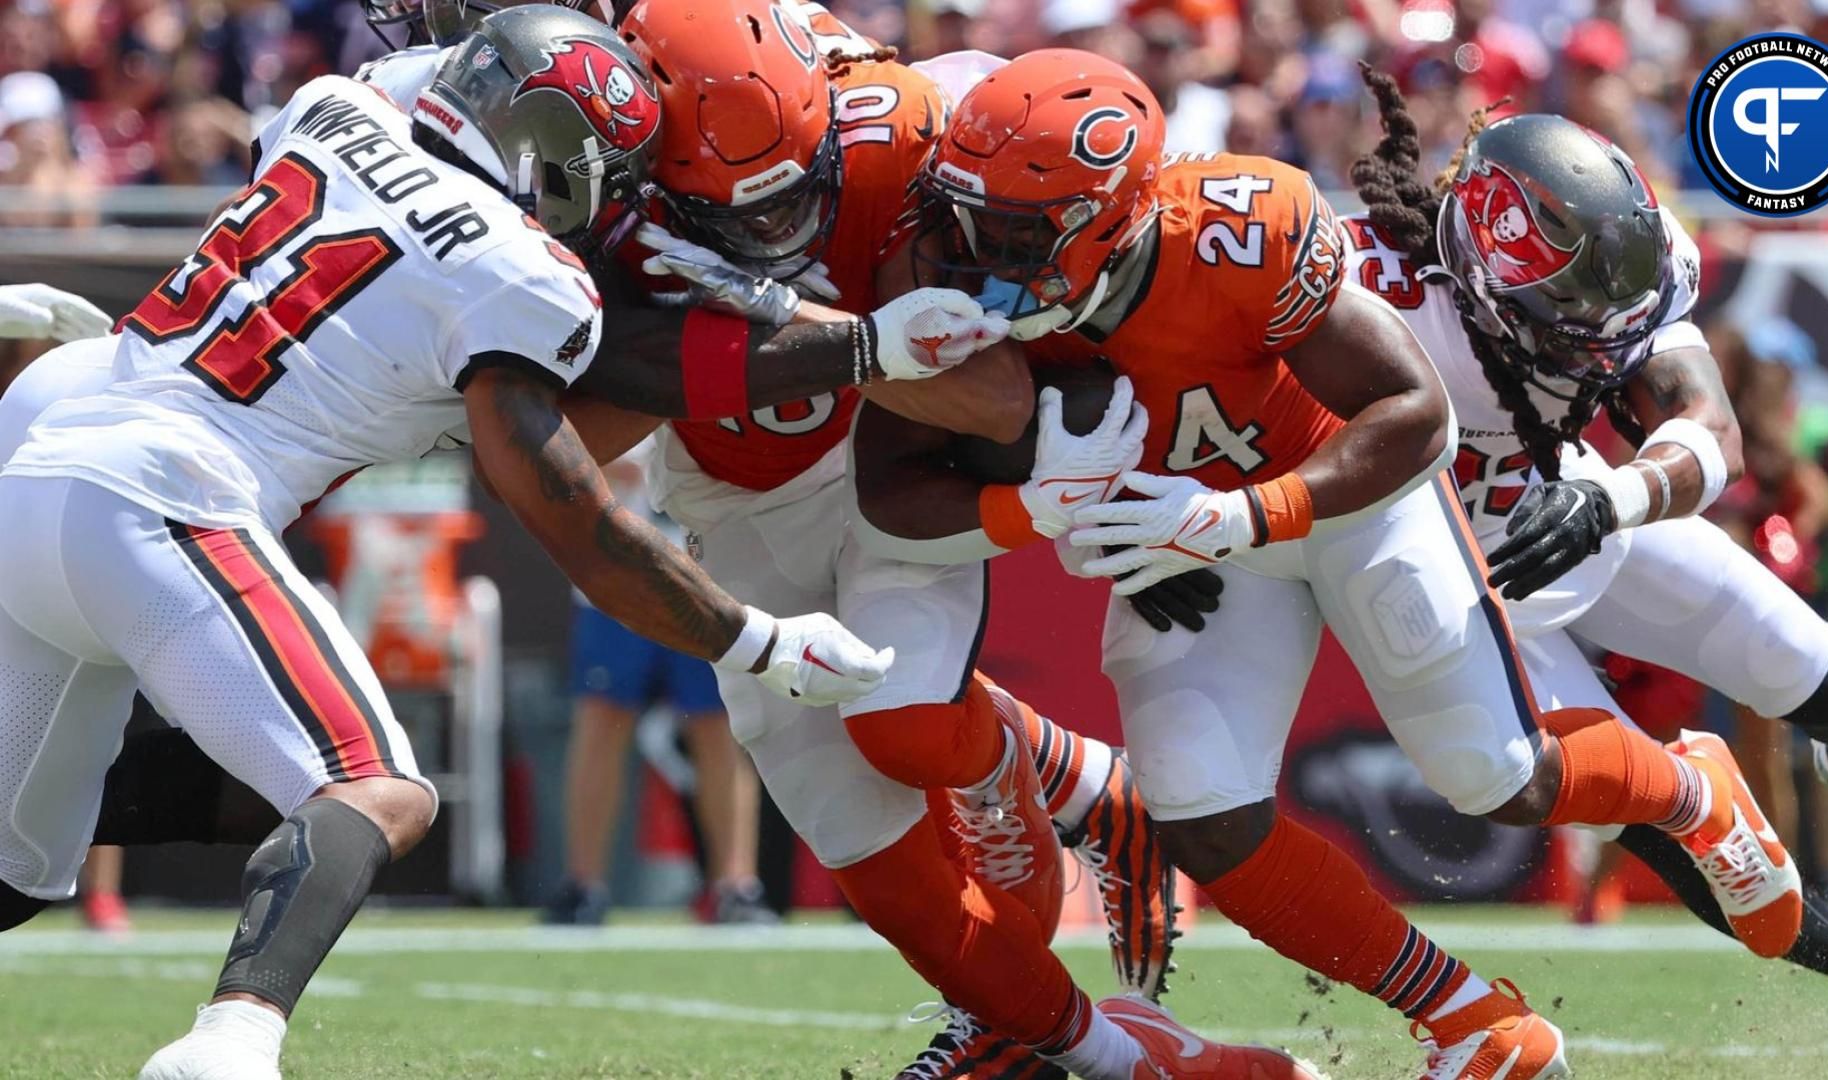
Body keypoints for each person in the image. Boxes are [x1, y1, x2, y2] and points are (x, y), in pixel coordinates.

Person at [0, 9, 1015, 1077]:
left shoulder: (327, 105)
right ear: (567, 165)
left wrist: (846, 347)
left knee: (23, 863)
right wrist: (751, 640)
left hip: (44, 461)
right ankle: (231, 1043)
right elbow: (573, 510)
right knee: (374, 790)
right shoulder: (518, 274)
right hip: (168, 497)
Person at [860, 47, 1820, 1078]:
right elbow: (894, 489)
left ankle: (1686, 789)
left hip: (1340, 495)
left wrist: (1239, 519)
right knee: (1200, 812)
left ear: (1109, 220)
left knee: (1493, 773)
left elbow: (1415, 416)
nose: (968, 252)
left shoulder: (1237, 229)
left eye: (1007, 231)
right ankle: (1473, 1022)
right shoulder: (932, 271)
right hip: (1194, 532)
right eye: (963, 214)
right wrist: (1048, 509)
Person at [616, 7, 1206, 1076]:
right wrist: (683, 339)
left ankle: (1031, 1003)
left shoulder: (912, 130)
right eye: (733, 214)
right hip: (734, 496)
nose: (776, 228)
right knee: (877, 868)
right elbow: (577, 426)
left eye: (799, 191)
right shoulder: (606, 183)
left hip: (887, 464)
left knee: (904, 732)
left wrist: (790, 323)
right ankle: (1076, 851)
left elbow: (990, 395)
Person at [1340, 70, 1828, 1067]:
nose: (1599, 327)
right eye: (1567, 299)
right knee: (1678, 834)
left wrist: (1610, 497)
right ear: (1483, 265)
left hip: (1584, 511)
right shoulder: (1364, 291)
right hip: (1462, 593)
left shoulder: (1639, 268)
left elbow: (1712, 428)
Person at [544, 447, 772, 927]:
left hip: (706, 570)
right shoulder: (601, 375)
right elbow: (559, 452)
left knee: (719, 725)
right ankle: (582, 884)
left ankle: (736, 886)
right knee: (603, 721)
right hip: (614, 567)